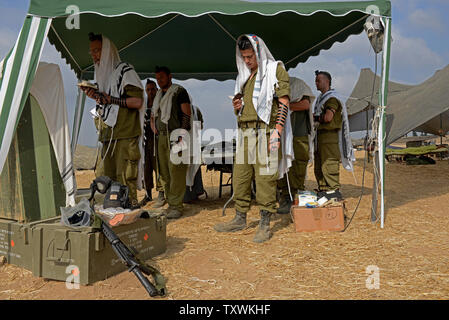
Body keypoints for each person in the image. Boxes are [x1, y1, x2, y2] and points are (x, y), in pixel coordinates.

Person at [214, 34, 291, 243]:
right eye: (244, 57)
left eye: (250, 56)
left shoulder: (275, 71)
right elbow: (248, 107)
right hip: (245, 133)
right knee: (240, 177)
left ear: (258, 53)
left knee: (266, 179)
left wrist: (277, 131)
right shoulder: (245, 78)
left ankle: (265, 222)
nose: (247, 61)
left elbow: (283, 102)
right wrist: (237, 108)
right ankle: (240, 217)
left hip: (265, 132)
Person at [82, 33, 144, 207]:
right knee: (105, 180)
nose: (94, 55)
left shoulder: (125, 71)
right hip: (108, 136)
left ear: (108, 51)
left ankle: (130, 215)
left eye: (97, 50)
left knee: (125, 179)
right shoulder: (102, 76)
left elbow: (137, 102)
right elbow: (107, 104)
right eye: (91, 52)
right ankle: (111, 212)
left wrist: (111, 99)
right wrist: (96, 96)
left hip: (125, 136)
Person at [150, 66, 191, 219]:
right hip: (161, 137)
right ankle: (170, 202)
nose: (159, 81)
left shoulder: (179, 91)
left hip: (175, 135)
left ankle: (176, 206)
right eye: (157, 78)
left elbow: (187, 113)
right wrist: (154, 127)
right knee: (164, 172)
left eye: (161, 77)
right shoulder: (159, 94)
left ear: (169, 76)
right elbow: (154, 114)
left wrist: (182, 135)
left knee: (176, 171)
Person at [313, 70, 354, 200]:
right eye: (316, 80)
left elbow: (328, 117)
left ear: (327, 81)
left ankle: (333, 190)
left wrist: (315, 118)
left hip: (329, 137)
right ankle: (324, 189)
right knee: (319, 164)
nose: (316, 83)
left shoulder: (332, 98)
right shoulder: (321, 99)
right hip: (320, 137)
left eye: (319, 80)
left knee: (329, 163)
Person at [277, 77, 315, 214]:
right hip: (282, 135)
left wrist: (284, 106)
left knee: (299, 164)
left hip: (299, 134)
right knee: (282, 165)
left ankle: (297, 196)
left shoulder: (297, 84)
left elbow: (305, 104)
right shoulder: (274, 86)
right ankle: (285, 197)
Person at [140, 79, 164, 206]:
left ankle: (161, 194)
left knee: (158, 167)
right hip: (145, 140)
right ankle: (148, 195)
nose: (150, 92)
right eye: (148, 89)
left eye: (152, 89)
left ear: (157, 89)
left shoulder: (160, 103)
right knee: (146, 168)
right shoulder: (144, 104)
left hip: (157, 139)